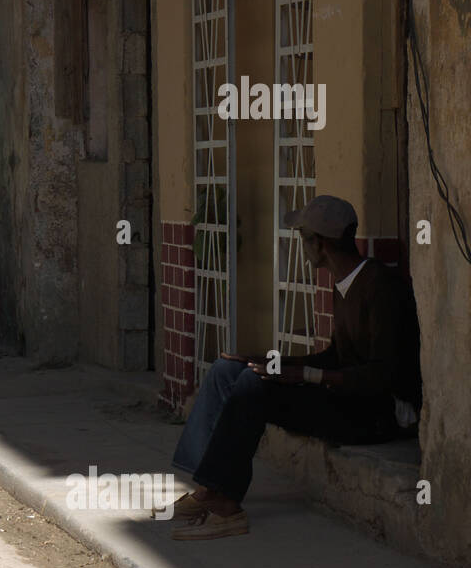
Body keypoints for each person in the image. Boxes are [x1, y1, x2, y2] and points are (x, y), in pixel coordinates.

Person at [163, 195, 422, 540]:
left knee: (254, 389)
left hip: (376, 415)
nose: (302, 246)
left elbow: (382, 374)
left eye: (304, 238)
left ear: (322, 243)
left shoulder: (380, 288)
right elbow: (334, 357)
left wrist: (307, 376)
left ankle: (226, 508)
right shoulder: (344, 282)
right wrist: (270, 361)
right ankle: (208, 487)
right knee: (230, 372)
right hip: (345, 397)